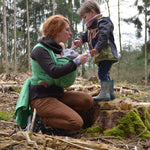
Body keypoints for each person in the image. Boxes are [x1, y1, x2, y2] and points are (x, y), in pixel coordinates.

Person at [15, 15, 93, 134]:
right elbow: (54, 72)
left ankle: (60, 116)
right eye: (67, 30)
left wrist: (73, 53)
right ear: (56, 30)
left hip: (56, 94)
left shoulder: (55, 49)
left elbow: (63, 60)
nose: (70, 33)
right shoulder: (40, 50)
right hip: (41, 97)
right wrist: (76, 61)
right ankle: (39, 120)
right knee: (76, 123)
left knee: (87, 100)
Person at [73, 0, 119, 101]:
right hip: (102, 55)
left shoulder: (103, 21)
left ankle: (105, 93)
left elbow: (104, 35)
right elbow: (85, 36)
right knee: (105, 72)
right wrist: (79, 39)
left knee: (102, 73)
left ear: (92, 12)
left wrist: (97, 48)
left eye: (85, 17)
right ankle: (110, 92)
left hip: (107, 53)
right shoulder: (91, 27)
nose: (85, 20)